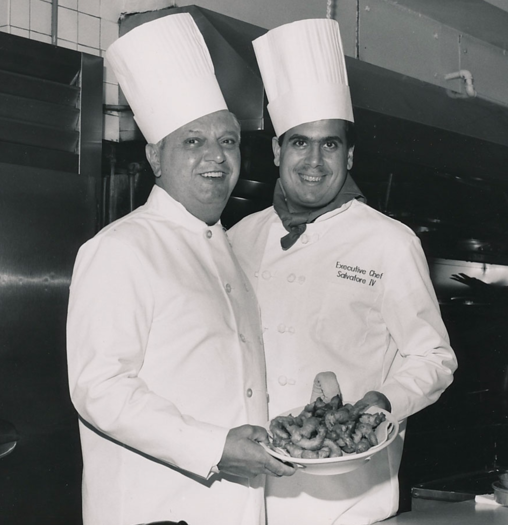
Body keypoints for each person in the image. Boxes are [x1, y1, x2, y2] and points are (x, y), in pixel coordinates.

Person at [66, 13, 294, 525]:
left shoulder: (226, 249)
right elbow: (98, 388)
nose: (217, 156)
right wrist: (213, 446)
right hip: (158, 511)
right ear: (155, 155)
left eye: (229, 140)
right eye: (193, 141)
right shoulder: (121, 249)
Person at [227, 18, 458, 524]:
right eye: (298, 142)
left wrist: (386, 399)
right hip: (247, 497)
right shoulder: (238, 237)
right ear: (275, 151)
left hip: (349, 503)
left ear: (349, 154)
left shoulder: (389, 242)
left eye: (329, 144)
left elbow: (434, 356)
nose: (313, 160)